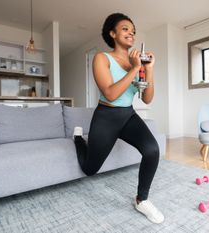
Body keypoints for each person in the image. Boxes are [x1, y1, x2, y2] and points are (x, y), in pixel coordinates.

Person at [73, 13, 164, 224]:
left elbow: (147, 98)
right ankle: (78, 139)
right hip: (106, 116)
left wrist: (148, 70)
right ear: (112, 34)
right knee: (89, 169)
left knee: (152, 149)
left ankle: (142, 200)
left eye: (133, 30)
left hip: (128, 115)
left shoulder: (138, 64)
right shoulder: (101, 58)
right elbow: (111, 94)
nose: (131, 32)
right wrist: (134, 68)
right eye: (125, 29)